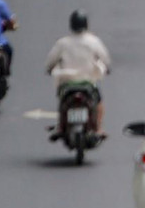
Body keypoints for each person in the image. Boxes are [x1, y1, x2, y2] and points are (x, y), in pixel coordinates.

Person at [45, 10, 113, 139]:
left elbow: (51, 61)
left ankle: (60, 126)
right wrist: (107, 68)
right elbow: (105, 58)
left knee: (62, 101)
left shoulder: (63, 43)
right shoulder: (93, 41)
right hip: (88, 82)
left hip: (67, 82)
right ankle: (98, 128)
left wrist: (49, 69)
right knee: (98, 101)